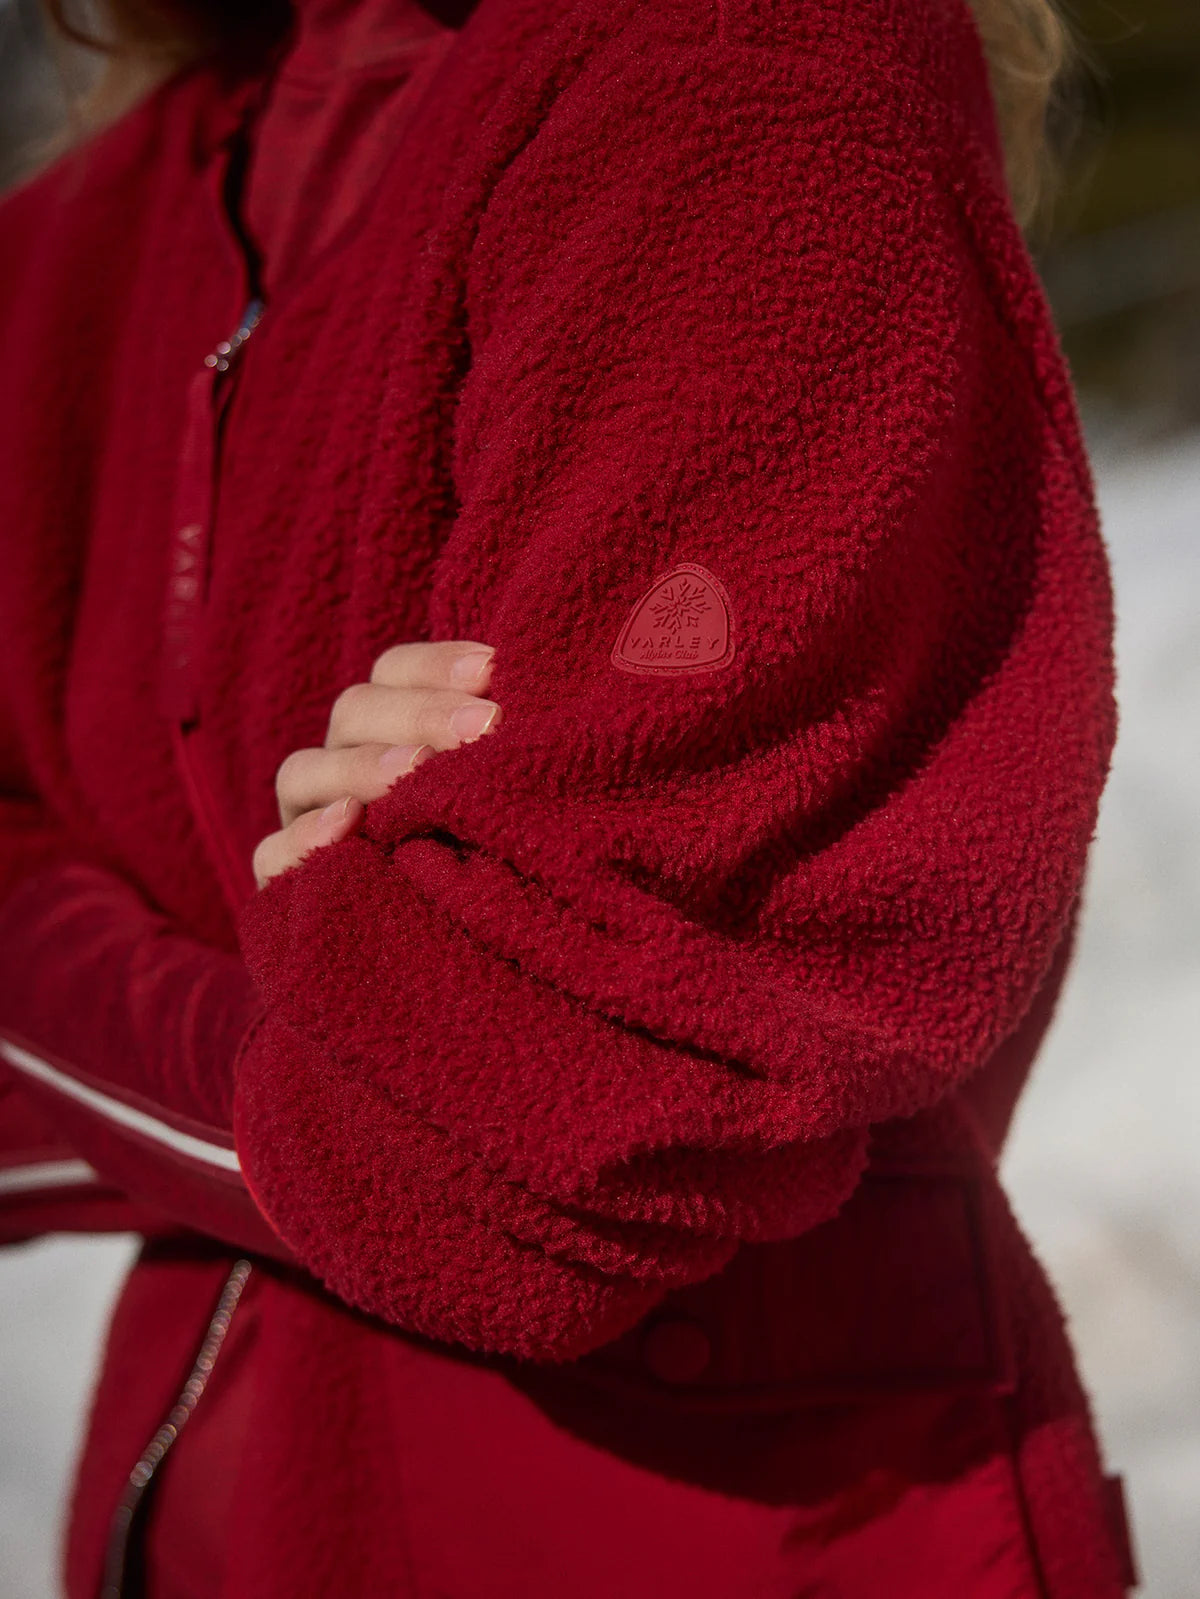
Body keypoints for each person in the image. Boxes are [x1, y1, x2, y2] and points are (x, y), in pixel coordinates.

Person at [0, 0, 1141, 1593]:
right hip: (199, 1508)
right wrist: (320, 1012)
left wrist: (112, 1037)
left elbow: (520, 1139)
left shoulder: (753, 77)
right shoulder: (91, 227)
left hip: (717, 1534)